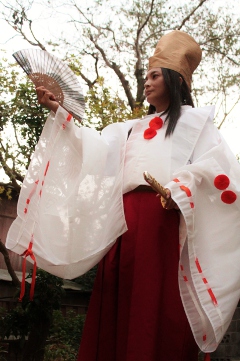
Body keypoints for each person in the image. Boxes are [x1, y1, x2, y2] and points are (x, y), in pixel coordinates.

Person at [6, 31, 240, 361]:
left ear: (174, 80)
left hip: (164, 221)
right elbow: (95, 151)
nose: (146, 83)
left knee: (156, 303)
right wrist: (60, 111)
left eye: (154, 75)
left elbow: (219, 171)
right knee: (123, 298)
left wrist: (182, 187)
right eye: (146, 76)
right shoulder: (130, 129)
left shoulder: (198, 123)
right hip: (125, 223)